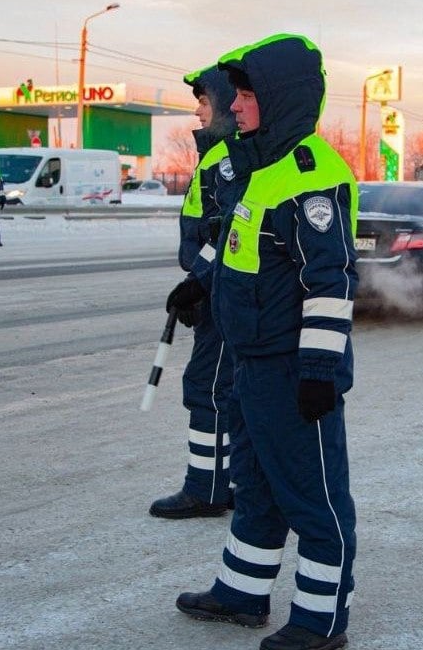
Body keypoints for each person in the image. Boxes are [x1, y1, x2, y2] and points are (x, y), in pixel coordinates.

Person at [167, 34, 359, 650]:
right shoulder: (259, 166)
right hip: (251, 362)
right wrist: (203, 286)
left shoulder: (311, 173)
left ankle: (320, 621)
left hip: (292, 370)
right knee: (256, 485)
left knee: (314, 497)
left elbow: (329, 281)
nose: (237, 105)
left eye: (248, 94)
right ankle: (242, 593)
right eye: (238, 94)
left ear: (280, 99)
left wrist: (318, 371)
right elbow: (242, 252)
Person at [149, 65, 239, 519]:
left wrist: (195, 282)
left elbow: (225, 236)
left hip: (225, 294)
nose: (197, 112)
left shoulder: (227, 161)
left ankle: (205, 489)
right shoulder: (217, 156)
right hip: (217, 291)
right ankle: (229, 482)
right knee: (228, 390)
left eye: (204, 103)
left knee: (207, 389)